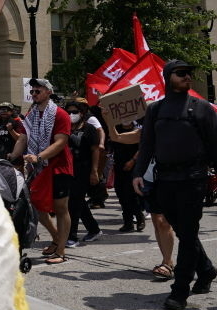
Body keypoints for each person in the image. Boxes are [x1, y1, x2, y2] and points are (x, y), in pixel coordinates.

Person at [133, 60, 217, 310]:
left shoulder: (202, 108)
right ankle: (207, 269)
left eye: (190, 73)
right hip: (164, 180)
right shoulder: (155, 110)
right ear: (168, 77)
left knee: (188, 234)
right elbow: (146, 145)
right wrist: (138, 173)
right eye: (181, 73)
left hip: (193, 180)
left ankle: (180, 290)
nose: (188, 77)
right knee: (184, 232)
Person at [24, 78, 73, 265]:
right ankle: (56, 238)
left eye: (38, 91)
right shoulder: (31, 115)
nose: (34, 94)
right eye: (33, 91)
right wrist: (14, 154)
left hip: (59, 167)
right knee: (36, 205)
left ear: (48, 92)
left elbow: (61, 142)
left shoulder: (60, 114)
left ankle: (61, 251)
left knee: (60, 208)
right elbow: (23, 136)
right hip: (39, 168)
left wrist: (39, 156)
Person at [65, 99, 102, 247]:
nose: (71, 115)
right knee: (77, 201)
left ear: (82, 113)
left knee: (74, 203)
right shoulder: (64, 128)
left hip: (83, 169)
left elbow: (95, 150)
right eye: (68, 112)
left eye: (74, 112)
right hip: (68, 169)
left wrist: (94, 171)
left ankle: (72, 236)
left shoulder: (89, 128)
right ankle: (94, 229)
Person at [104, 116, 145, 233]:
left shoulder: (138, 130)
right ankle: (128, 222)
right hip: (119, 166)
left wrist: (132, 161)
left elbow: (142, 147)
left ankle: (139, 217)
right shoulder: (115, 130)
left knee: (131, 194)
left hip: (133, 166)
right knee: (121, 194)